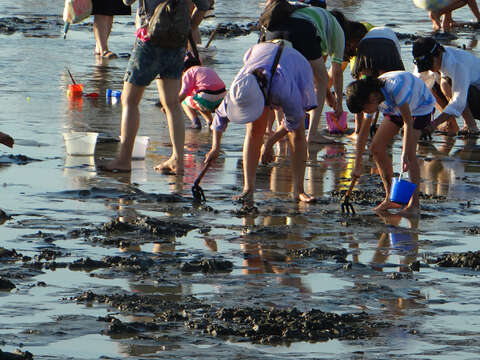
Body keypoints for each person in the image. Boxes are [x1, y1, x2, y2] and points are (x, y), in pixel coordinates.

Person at [101, 0, 211, 174]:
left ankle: (123, 159)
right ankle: (178, 160)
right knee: (172, 104)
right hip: (176, 42)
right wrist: (190, 25)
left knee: (129, 101)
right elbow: (204, 5)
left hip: (149, 39)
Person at [204, 41, 317, 205]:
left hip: (294, 64)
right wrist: (215, 147)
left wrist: (270, 143)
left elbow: (294, 120)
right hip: (260, 54)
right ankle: (248, 188)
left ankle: (299, 189)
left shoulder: (284, 91)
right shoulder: (238, 88)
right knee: (254, 130)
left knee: (297, 134)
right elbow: (219, 118)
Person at [345, 71, 436, 215]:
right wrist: (357, 165)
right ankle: (390, 198)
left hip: (419, 108)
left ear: (372, 98)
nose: (364, 112)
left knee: (410, 156)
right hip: (395, 109)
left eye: (363, 108)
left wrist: (404, 154)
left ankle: (414, 206)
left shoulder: (395, 88)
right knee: (376, 148)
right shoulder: (371, 96)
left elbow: (407, 122)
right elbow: (363, 132)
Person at [259, 2, 348, 144]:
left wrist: (328, 96)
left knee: (280, 77)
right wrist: (338, 101)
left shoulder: (309, 12)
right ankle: (312, 134)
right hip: (302, 31)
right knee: (322, 80)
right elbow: (336, 71)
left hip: (273, 29)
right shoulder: (338, 30)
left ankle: (279, 128)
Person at [413, 36, 480, 135]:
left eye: (430, 64)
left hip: (476, 97)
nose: (429, 68)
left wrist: (433, 124)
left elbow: (458, 101)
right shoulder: (428, 57)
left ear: (439, 53)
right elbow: (416, 89)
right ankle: (450, 123)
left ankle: (471, 125)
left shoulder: (457, 64)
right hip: (468, 95)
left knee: (446, 83)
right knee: (430, 83)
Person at [348, 25, 405, 136]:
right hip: (388, 46)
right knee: (385, 87)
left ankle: (358, 130)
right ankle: (385, 128)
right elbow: (380, 92)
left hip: (366, 45)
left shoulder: (367, 36)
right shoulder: (390, 35)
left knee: (362, 89)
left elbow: (365, 88)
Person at [179, 53, 226, 129]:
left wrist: (172, 104)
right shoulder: (207, 69)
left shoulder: (188, 72)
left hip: (206, 98)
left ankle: (195, 123)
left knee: (185, 102)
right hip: (221, 99)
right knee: (198, 100)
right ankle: (210, 121)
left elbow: (184, 92)